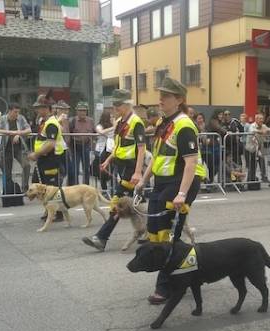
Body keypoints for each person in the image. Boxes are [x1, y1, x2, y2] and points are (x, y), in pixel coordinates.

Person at [135, 77, 207, 305]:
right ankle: (187, 272)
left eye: (165, 96)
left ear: (179, 100)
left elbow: (191, 163)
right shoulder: (163, 123)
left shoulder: (185, 124)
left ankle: (166, 286)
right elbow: (156, 156)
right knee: (154, 230)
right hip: (163, 183)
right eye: (161, 95)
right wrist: (143, 180)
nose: (160, 100)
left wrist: (182, 194)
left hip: (181, 183)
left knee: (170, 235)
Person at [82, 89, 147, 251]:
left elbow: (141, 148)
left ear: (127, 104)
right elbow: (118, 146)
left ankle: (101, 238)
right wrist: (108, 160)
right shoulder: (119, 122)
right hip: (121, 166)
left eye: (118, 104)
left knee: (118, 203)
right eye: (114, 104)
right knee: (138, 203)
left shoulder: (136, 122)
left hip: (131, 168)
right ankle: (149, 232)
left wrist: (138, 172)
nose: (114, 107)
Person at [28, 95, 66, 221]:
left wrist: (36, 154)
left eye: (39, 108)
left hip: (51, 160)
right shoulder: (44, 122)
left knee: (52, 188)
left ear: (46, 108)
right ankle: (48, 210)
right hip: (44, 160)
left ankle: (58, 213)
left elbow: (50, 143)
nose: (37, 110)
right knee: (42, 186)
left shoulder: (51, 124)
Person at [0, 103, 32, 192]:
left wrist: (18, 133)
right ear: (10, 111)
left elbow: (29, 129)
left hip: (19, 148)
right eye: (15, 112)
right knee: (7, 171)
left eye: (18, 112)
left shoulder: (21, 118)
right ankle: (9, 190)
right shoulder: (3, 119)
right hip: (6, 147)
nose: (17, 114)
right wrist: (10, 132)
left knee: (26, 165)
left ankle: (24, 187)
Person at [68, 102, 95, 186]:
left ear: (86, 112)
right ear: (77, 111)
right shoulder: (73, 120)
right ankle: (75, 187)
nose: (82, 112)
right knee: (75, 168)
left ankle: (86, 186)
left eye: (84, 111)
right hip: (75, 146)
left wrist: (92, 143)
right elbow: (68, 133)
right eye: (80, 111)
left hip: (86, 146)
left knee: (86, 168)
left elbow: (94, 132)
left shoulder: (90, 121)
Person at [92, 110, 114, 196]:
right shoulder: (99, 126)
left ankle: (112, 189)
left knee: (111, 170)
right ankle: (104, 190)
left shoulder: (114, 125)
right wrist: (113, 127)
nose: (112, 119)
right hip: (100, 150)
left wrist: (114, 125)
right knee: (102, 171)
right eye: (110, 117)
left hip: (110, 150)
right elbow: (101, 132)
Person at [246, 113, 270, 183]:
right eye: (260, 119)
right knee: (252, 165)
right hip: (251, 149)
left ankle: (264, 177)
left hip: (260, 149)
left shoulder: (264, 126)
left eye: (262, 118)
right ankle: (251, 179)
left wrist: (268, 130)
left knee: (262, 162)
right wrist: (261, 132)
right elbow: (252, 131)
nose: (262, 120)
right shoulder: (252, 125)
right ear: (256, 119)